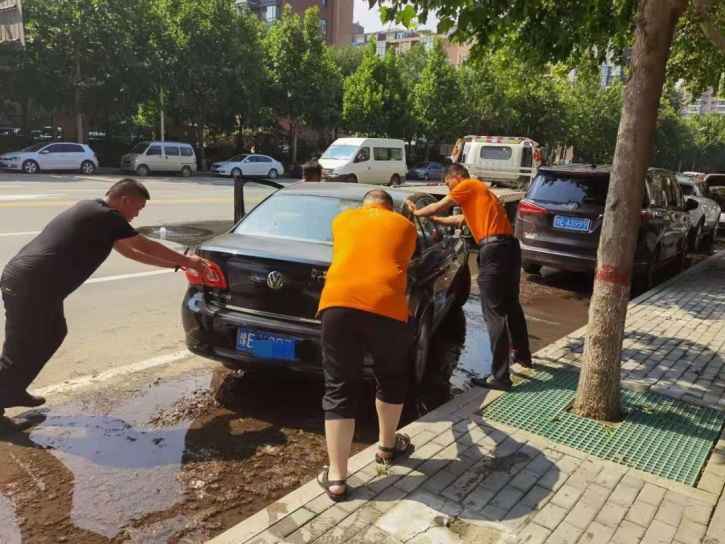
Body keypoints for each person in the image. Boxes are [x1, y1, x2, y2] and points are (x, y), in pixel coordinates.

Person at [0, 178, 208, 428]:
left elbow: (132, 252)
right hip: (31, 286)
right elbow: (146, 245)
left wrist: (176, 264)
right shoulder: (105, 216)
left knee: (52, 333)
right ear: (124, 200)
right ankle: (7, 393)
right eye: (138, 208)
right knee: (21, 347)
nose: (137, 214)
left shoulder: (96, 215)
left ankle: (12, 388)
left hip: (35, 285)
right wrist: (191, 262)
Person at [316, 189, 417, 501]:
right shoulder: (406, 226)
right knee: (390, 376)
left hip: (338, 304)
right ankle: (387, 448)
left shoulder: (342, 219)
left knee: (339, 386)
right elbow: (402, 260)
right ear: (390, 208)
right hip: (386, 306)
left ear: (364, 206)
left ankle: (337, 478)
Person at [406, 164, 532, 391]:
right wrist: (434, 220)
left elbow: (440, 205)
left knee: (493, 312)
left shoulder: (468, 185)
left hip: (493, 250)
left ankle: (501, 377)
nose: (448, 187)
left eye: (447, 183)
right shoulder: (480, 194)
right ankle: (523, 356)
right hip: (509, 248)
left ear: (456, 176)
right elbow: (458, 220)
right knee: (511, 305)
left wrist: (416, 213)